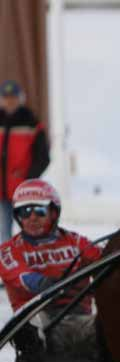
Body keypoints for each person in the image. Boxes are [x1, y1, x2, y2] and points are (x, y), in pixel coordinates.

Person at [0, 179, 102, 362]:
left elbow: (104, 261)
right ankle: (33, 350)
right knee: (30, 322)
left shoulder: (76, 242)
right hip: (38, 324)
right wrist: (46, 284)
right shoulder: (8, 250)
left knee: (117, 322)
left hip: (77, 323)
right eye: (25, 212)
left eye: (39, 211)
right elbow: (21, 276)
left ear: (54, 213)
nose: (32, 218)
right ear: (17, 216)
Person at [0, 80, 50, 243]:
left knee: (31, 232)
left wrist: (29, 179)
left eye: (13, 97)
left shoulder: (31, 122)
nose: (9, 101)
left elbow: (43, 157)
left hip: (24, 192)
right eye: (6, 97)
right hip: (1, 191)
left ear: (20, 99)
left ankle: (32, 263)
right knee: (3, 234)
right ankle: (5, 266)